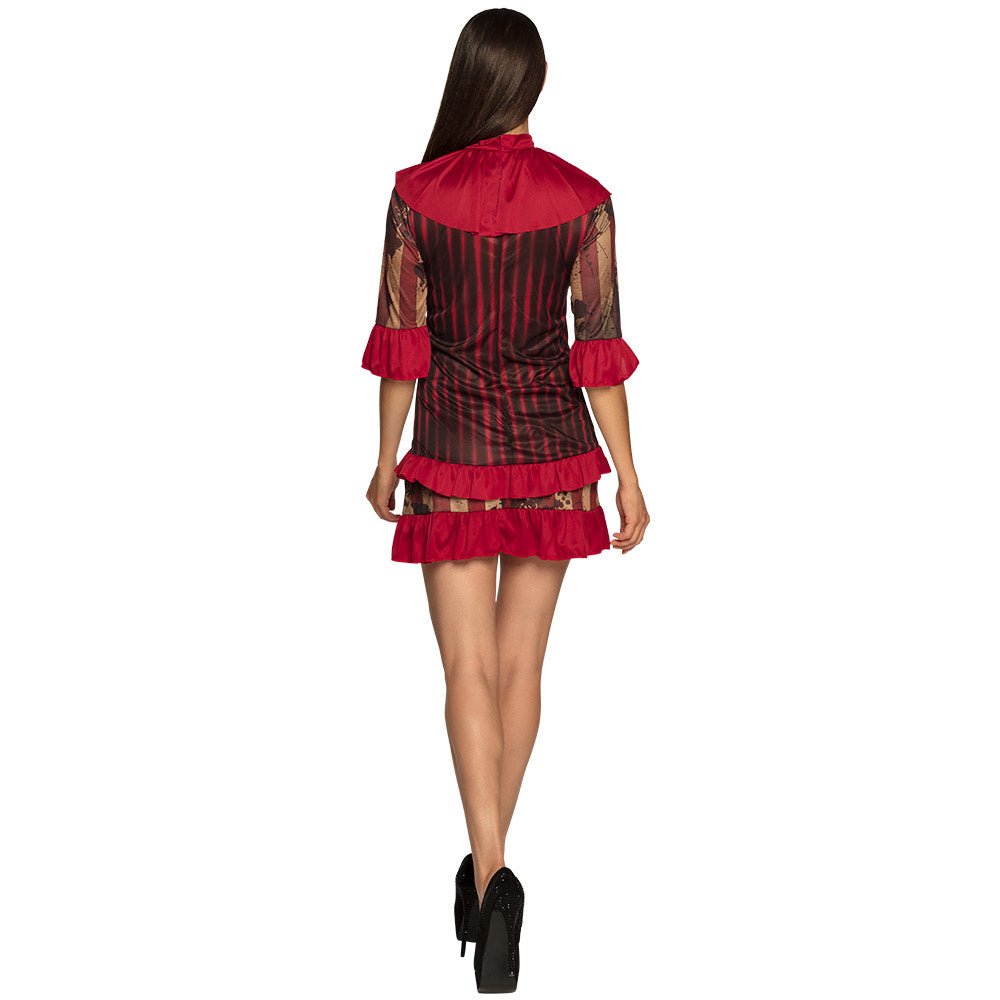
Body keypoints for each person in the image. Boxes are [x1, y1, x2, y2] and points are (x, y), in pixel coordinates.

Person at [361, 8, 649, 991]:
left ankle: (490, 875)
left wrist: (385, 458)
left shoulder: (415, 195)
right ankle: (492, 878)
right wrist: (628, 473)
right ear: (534, 83)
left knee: (467, 669)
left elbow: (403, 344)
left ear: (469, 79)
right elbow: (597, 350)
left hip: (448, 454)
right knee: (523, 666)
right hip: (554, 457)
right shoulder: (584, 199)